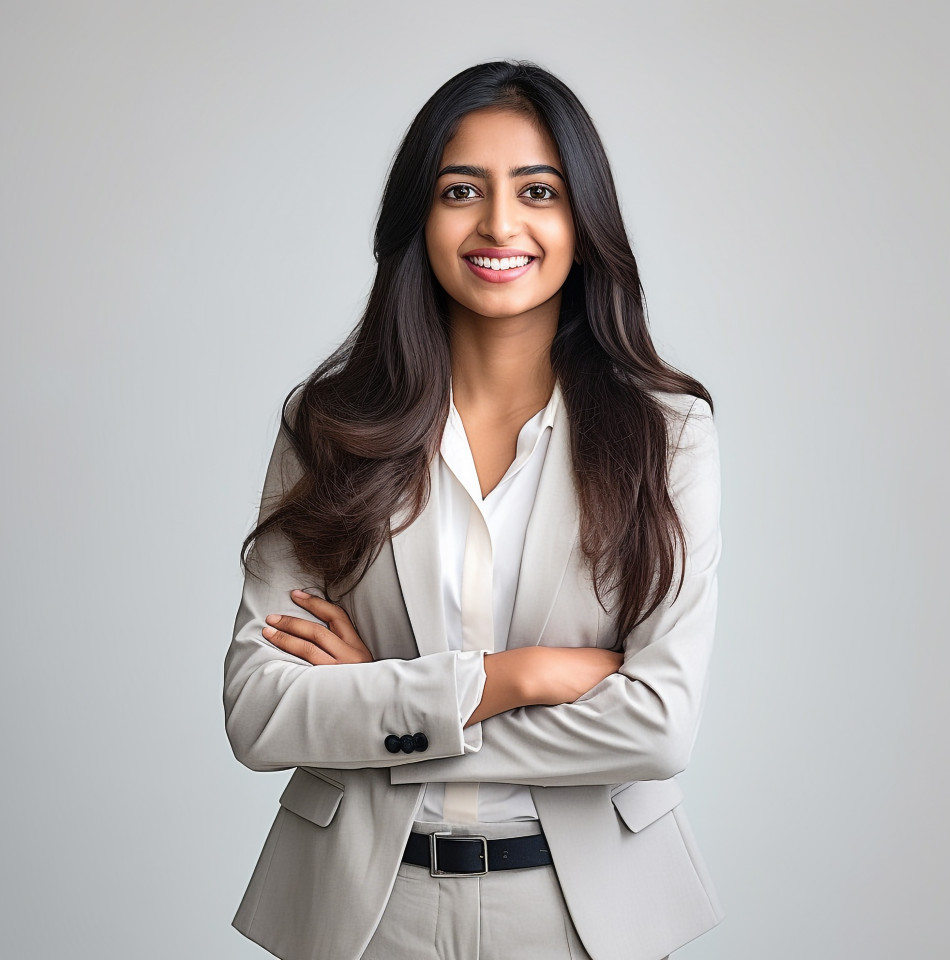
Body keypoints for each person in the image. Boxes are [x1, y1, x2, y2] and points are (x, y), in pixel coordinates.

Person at [223, 59, 723, 960]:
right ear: (420, 213)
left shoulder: (668, 434)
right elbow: (260, 712)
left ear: (583, 220)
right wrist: (516, 676)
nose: (500, 224)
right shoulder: (331, 426)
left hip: (579, 912)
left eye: (538, 190)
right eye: (463, 189)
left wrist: (380, 703)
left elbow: (657, 725)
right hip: (363, 910)